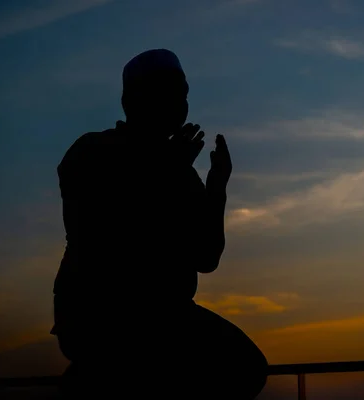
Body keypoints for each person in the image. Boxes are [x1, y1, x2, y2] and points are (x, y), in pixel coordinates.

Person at [51, 49, 268, 399]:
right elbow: (100, 236)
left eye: (182, 94)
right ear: (132, 100)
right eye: (166, 92)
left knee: (247, 367)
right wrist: (165, 172)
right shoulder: (93, 152)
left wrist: (216, 187)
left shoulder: (181, 170)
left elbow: (206, 257)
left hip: (168, 315)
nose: (178, 104)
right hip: (103, 316)